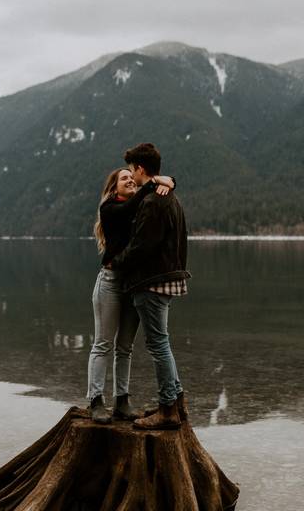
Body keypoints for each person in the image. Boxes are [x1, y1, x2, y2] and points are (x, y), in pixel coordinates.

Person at [109, 142, 190, 430]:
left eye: (132, 170)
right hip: (167, 277)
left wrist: (116, 261)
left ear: (141, 169)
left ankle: (168, 409)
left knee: (158, 344)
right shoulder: (168, 195)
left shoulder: (154, 201)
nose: (131, 175)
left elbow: (142, 245)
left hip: (151, 281)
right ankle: (176, 403)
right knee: (162, 342)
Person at [87, 167, 175, 424]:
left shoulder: (141, 205)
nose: (129, 181)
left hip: (133, 283)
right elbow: (130, 207)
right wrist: (155, 182)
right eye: (123, 179)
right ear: (114, 188)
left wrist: (170, 184)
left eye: (130, 177)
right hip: (111, 281)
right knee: (103, 344)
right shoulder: (110, 208)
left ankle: (122, 401)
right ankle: (95, 400)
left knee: (125, 347)